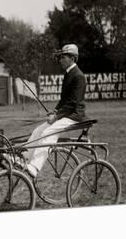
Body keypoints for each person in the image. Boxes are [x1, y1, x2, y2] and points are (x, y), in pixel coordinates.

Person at [24, 43, 87, 178]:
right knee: (38, 131)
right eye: (60, 57)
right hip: (67, 114)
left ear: (72, 58)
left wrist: (57, 116)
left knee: (48, 132)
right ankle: (24, 159)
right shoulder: (69, 74)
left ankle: (34, 167)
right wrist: (55, 111)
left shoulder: (78, 76)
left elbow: (73, 103)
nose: (60, 60)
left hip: (75, 116)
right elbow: (64, 100)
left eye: (63, 57)